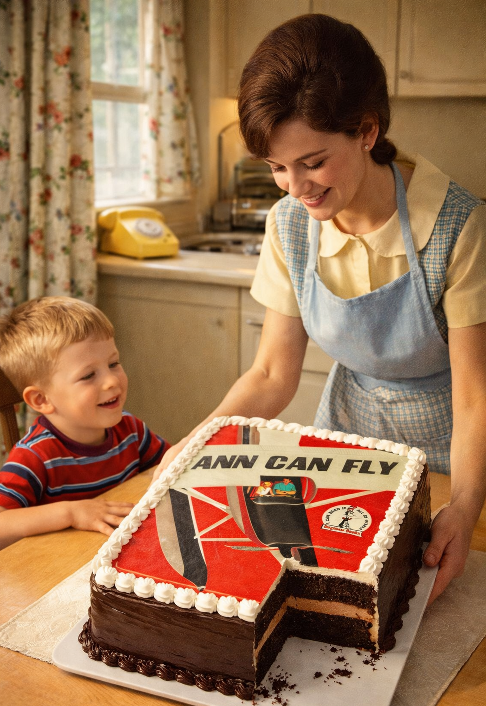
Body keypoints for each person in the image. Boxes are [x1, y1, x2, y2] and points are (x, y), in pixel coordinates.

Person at [154, 14, 486, 605]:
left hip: (453, 455)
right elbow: (271, 375)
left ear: (365, 130)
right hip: (348, 447)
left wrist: (463, 504)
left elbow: (474, 396)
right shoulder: (291, 227)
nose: (295, 188)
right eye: (277, 168)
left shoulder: (458, 226)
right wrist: (201, 439)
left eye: (311, 162)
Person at [0, 296, 169, 556]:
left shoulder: (130, 430)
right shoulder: (36, 456)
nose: (111, 381)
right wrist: (71, 512)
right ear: (41, 400)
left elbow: (172, 472)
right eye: (88, 375)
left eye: (113, 363)